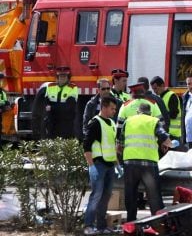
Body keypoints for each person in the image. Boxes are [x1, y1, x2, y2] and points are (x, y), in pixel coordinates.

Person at [117, 103, 174, 222]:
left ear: (138, 112)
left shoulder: (128, 121)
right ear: (150, 112)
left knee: (131, 194)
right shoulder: (153, 121)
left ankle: (131, 222)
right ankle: (158, 223)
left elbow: (119, 144)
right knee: (153, 195)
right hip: (148, 164)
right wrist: (169, 145)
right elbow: (165, 138)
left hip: (130, 163)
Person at [82, 97, 119, 235]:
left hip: (109, 165)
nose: (114, 111)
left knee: (106, 196)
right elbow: (86, 145)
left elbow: (112, 146)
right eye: (112, 108)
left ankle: (101, 226)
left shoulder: (111, 123)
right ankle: (88, 225)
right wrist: (91, 166)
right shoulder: (95, 123)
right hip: (98, 165)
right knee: (96, 196)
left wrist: (117, 164)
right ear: (103, 107)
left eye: (115, 109)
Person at [33, 66, 79, 139]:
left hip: (66, 123)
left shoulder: (73, 88)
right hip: (52, 122)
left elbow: (68, 107)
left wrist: (52, 107)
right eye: (60, 76)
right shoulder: (50, 86)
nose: (62, 78)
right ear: (57, 77)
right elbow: (45, 104)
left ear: (68, 78)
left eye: (64, 76)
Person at [150, 76, 182, 143]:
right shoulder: (160, 97)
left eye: (156, 88)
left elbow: (174, 114)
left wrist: (160, 116)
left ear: (162, 85)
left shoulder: (171, 96)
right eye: (153, 89)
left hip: (173, 134)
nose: (155, 91)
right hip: (165, 133)